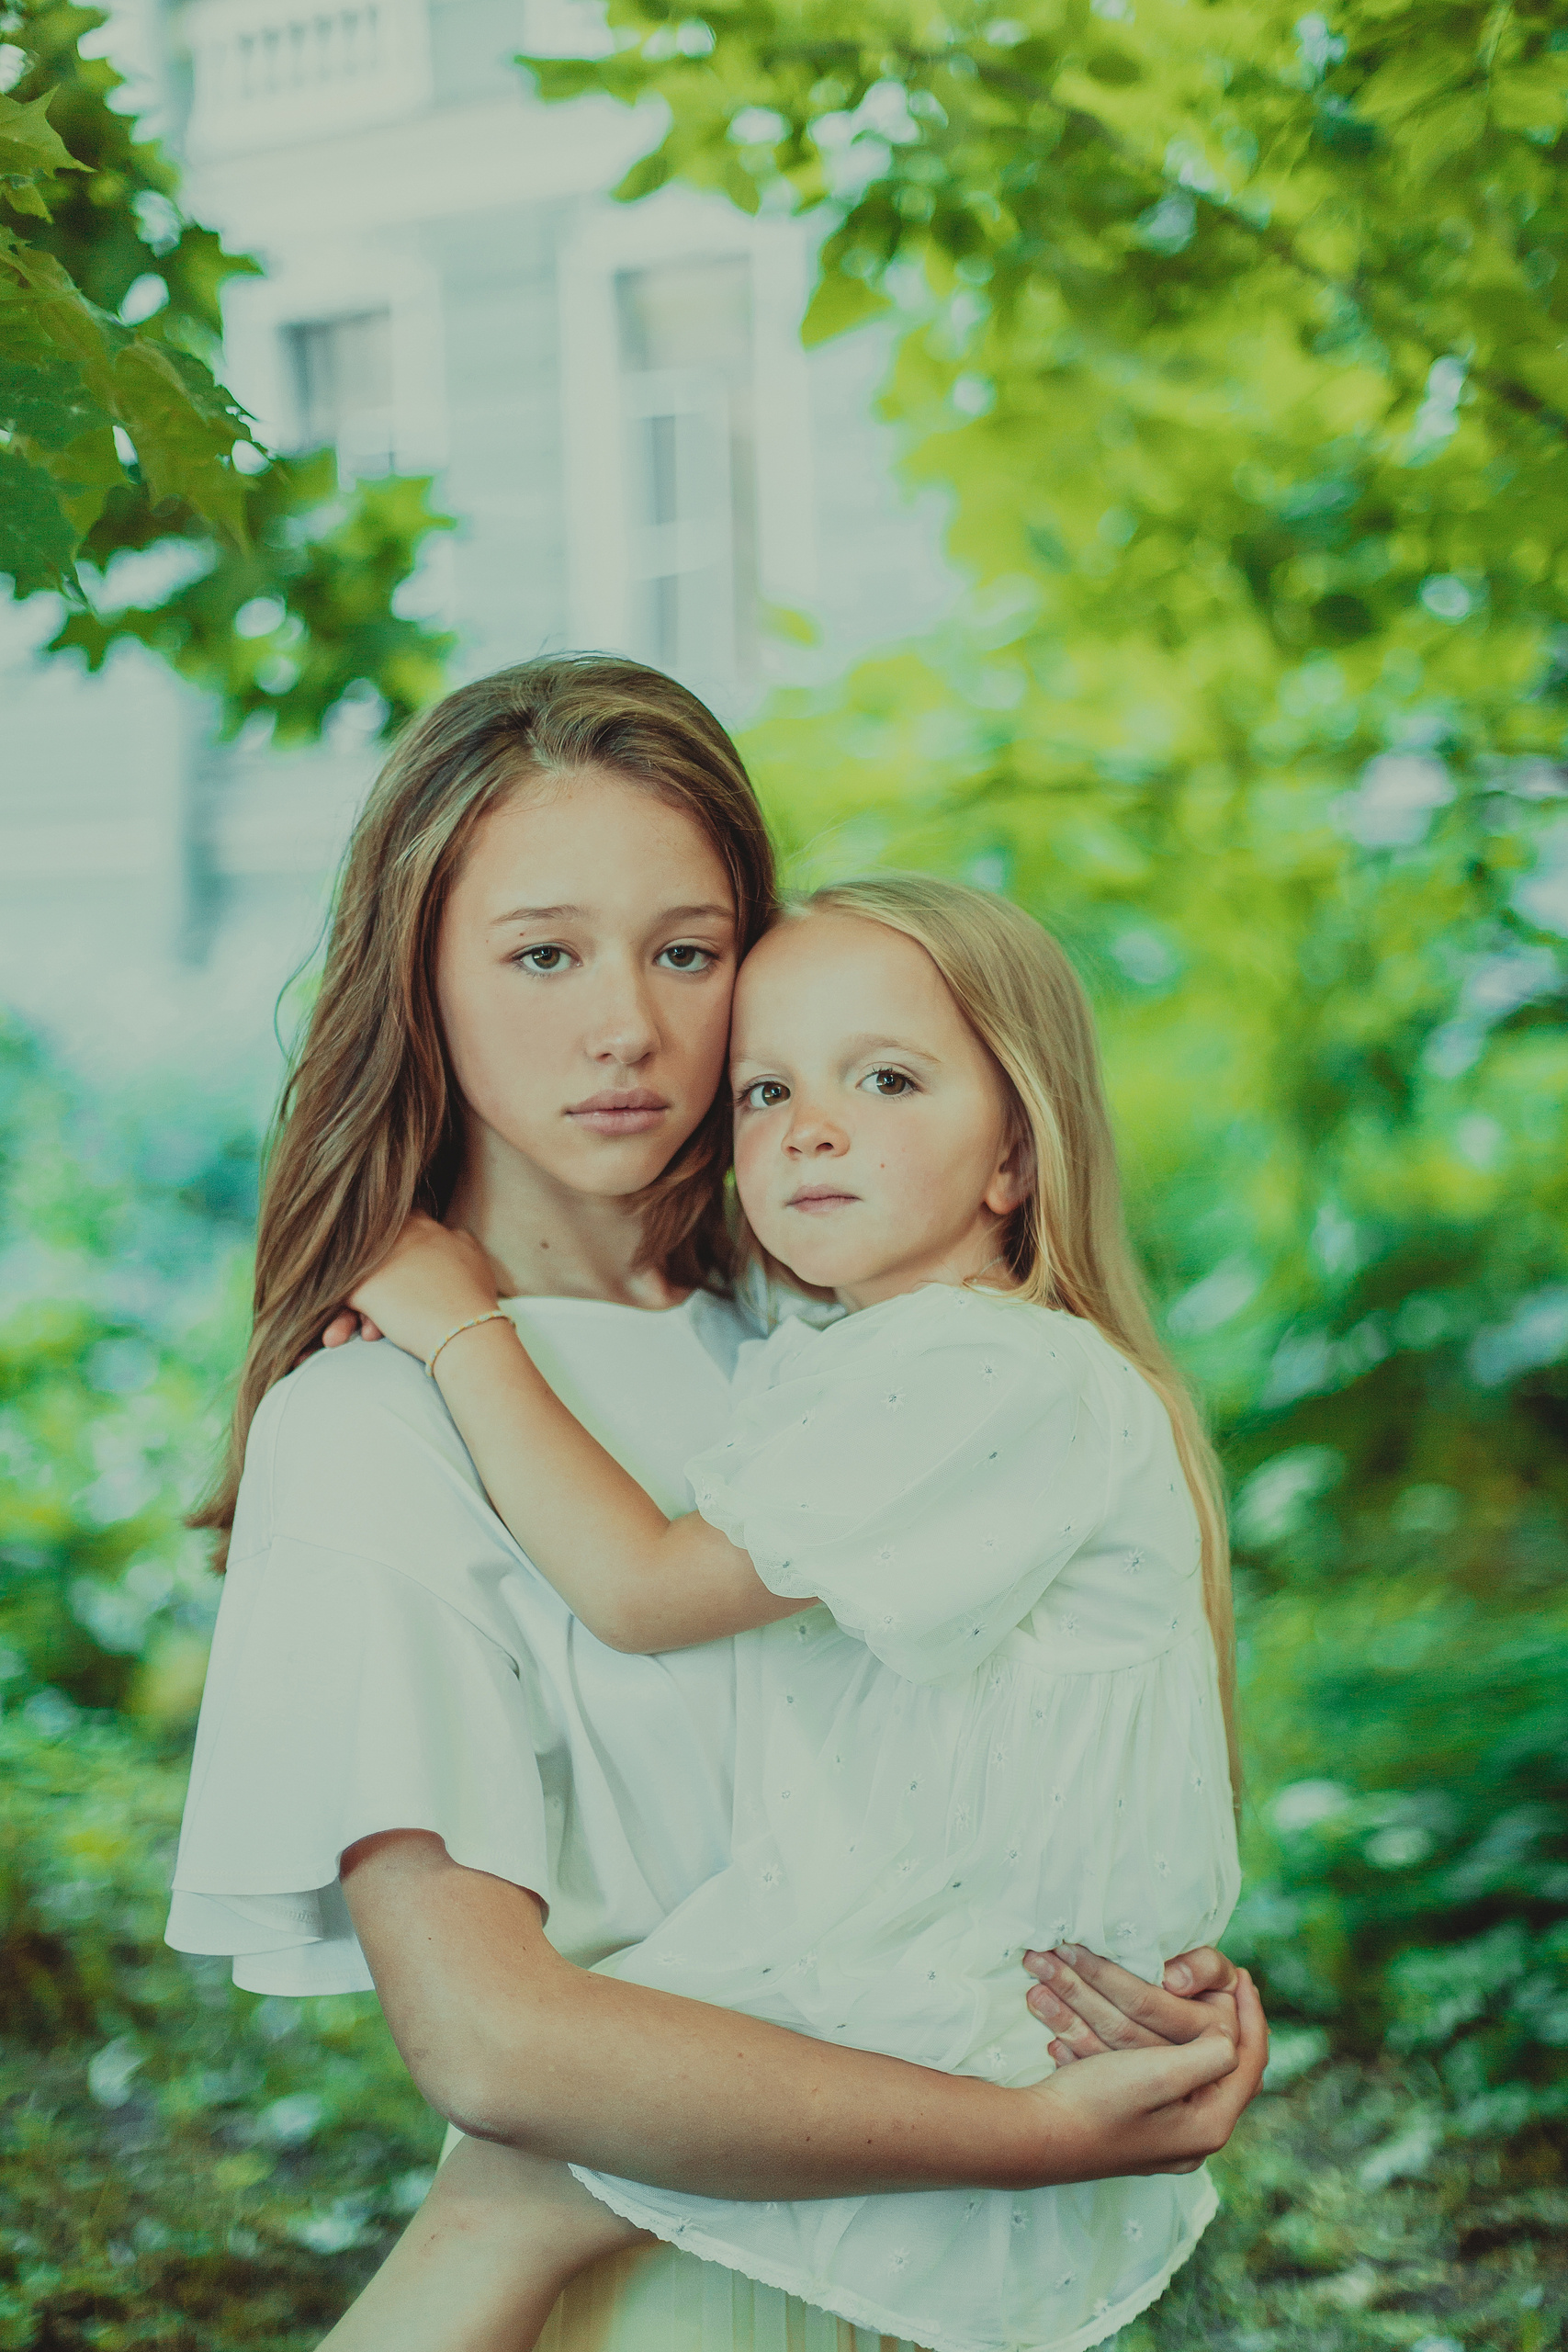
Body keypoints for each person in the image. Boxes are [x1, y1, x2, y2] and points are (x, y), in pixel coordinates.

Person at [164, 655, 1265, 2352]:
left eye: (685, 952)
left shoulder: (828, 1348)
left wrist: (1134, 1989)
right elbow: (494, 2051)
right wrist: (1021, 2136)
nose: (630, 1027)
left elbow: (975, 1789)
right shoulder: (381, 1421)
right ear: (423, 986)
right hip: (658, 2294)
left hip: (917, 2287)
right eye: (542, 954)